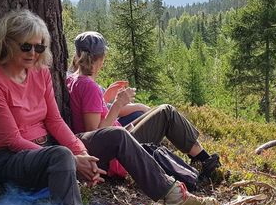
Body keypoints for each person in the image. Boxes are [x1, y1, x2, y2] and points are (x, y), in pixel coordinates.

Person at [0, 10, 218, 205]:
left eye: (39, 46)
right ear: (7, 42)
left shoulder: (40, 74)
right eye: (26, 46)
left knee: (115, 135)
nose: (33, 52)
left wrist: (80, 152)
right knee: (60, 155)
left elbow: (54, 121)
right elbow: (11, 139)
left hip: (51, 150)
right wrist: (71, 159)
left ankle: (171, 195)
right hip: (14, 158)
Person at [67, 31, 221, 179]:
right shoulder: (89, 86)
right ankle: (205, 160)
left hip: (117, 140)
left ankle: (201, 159)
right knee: (166, 113)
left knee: (151, 113)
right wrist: (118, 104)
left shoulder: (72, 80)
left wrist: (110, 100)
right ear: (100, 58)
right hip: (117, 152)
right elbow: (94, 134)